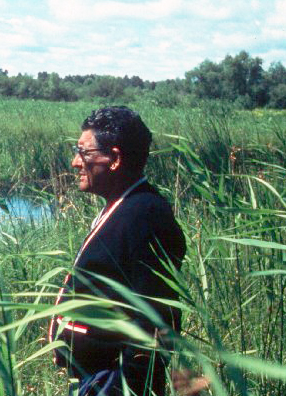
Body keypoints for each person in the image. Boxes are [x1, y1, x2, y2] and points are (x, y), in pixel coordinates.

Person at [49, 107, 186, 396]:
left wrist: (124, 386)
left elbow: (153, 321)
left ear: (115, 158)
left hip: (115, 382)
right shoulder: (123, 206)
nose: (75, 163)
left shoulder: (146, 215)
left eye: (83, 153)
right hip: (95, 377)